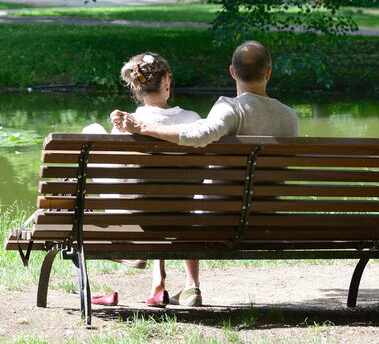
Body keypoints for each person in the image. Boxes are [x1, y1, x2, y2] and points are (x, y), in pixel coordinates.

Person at [110, 40, 298, 307]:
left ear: (232, 72)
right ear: (269, 73)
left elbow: (200, 135)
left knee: (181, 194)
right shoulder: (290, 116)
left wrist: (143, 128)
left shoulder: (230, 109)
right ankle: (190, 284)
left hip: (222, 221)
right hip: (270, 221)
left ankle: (169, 281)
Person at [86, 52, 201, 309]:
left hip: (135, 224)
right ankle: (181, 284)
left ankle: (143, 261)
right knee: (165, 192)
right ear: (166, 80)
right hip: (181, 217)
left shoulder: (125, 125)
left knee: (92, 131)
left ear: (135, 87)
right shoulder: (193, 121)